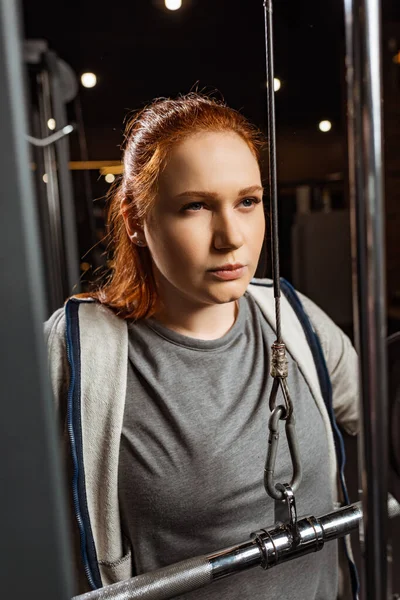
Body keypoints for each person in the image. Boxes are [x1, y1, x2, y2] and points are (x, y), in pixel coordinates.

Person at [44, 93, 359, 600]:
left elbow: (380, 412)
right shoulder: (80, 348)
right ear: (134, 219)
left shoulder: (294, 319)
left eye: (248, 201)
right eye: (195, 206)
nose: (231, 237)